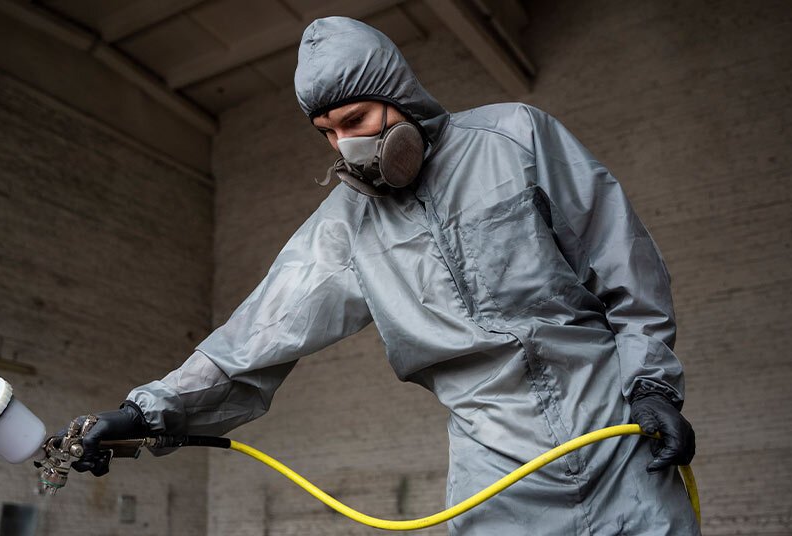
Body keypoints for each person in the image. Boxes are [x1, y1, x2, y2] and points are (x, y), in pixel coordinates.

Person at [69, 16, 698, 535]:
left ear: (400, 95)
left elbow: (622, 263)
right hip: (497, 479)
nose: (346, 147)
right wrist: (147, 410)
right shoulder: (347, 225)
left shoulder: (515, 138)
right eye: (328, 134)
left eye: (357, 120)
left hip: (619, 440)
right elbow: (257, 333)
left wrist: (652, 385)